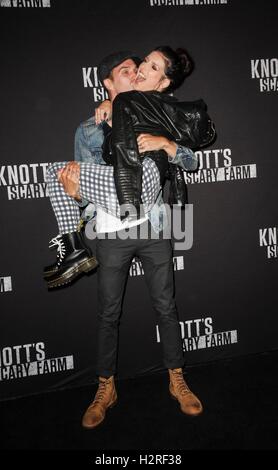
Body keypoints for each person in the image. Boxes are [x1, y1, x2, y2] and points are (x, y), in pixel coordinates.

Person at [45, 47, 215, 428]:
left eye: (143, 68)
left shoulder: (160, 113)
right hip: (109, 227)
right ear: (107, 83)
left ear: (161, 80)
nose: (137, 73)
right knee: (108, 313)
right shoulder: (90, 127)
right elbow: (80, 178)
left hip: (153, 227)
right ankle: (105, 387)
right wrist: (76, 194)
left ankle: (177, 379)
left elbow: (191, 157)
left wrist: (167, 145)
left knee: (166, 307)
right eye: (130, 70)